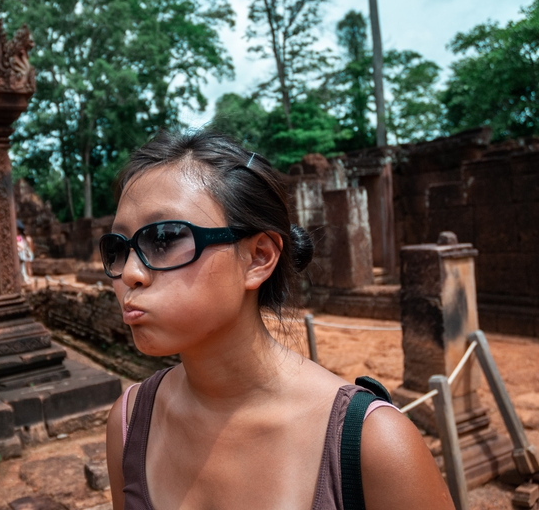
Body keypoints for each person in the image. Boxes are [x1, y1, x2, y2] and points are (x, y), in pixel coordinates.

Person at [101, 131, 453, 510]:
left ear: (258, 258)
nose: (130, 274)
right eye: (118, 248)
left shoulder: (374, 445)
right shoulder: (129, 421)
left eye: (165, 237)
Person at [16, 219, 34, 284]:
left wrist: (18, 245)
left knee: (23, 267)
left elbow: (22, 245)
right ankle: (25, 278)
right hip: (23, 253)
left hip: (22, 254)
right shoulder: (21, 237)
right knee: (24, 267)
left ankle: (26, 278)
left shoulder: (19, 237)